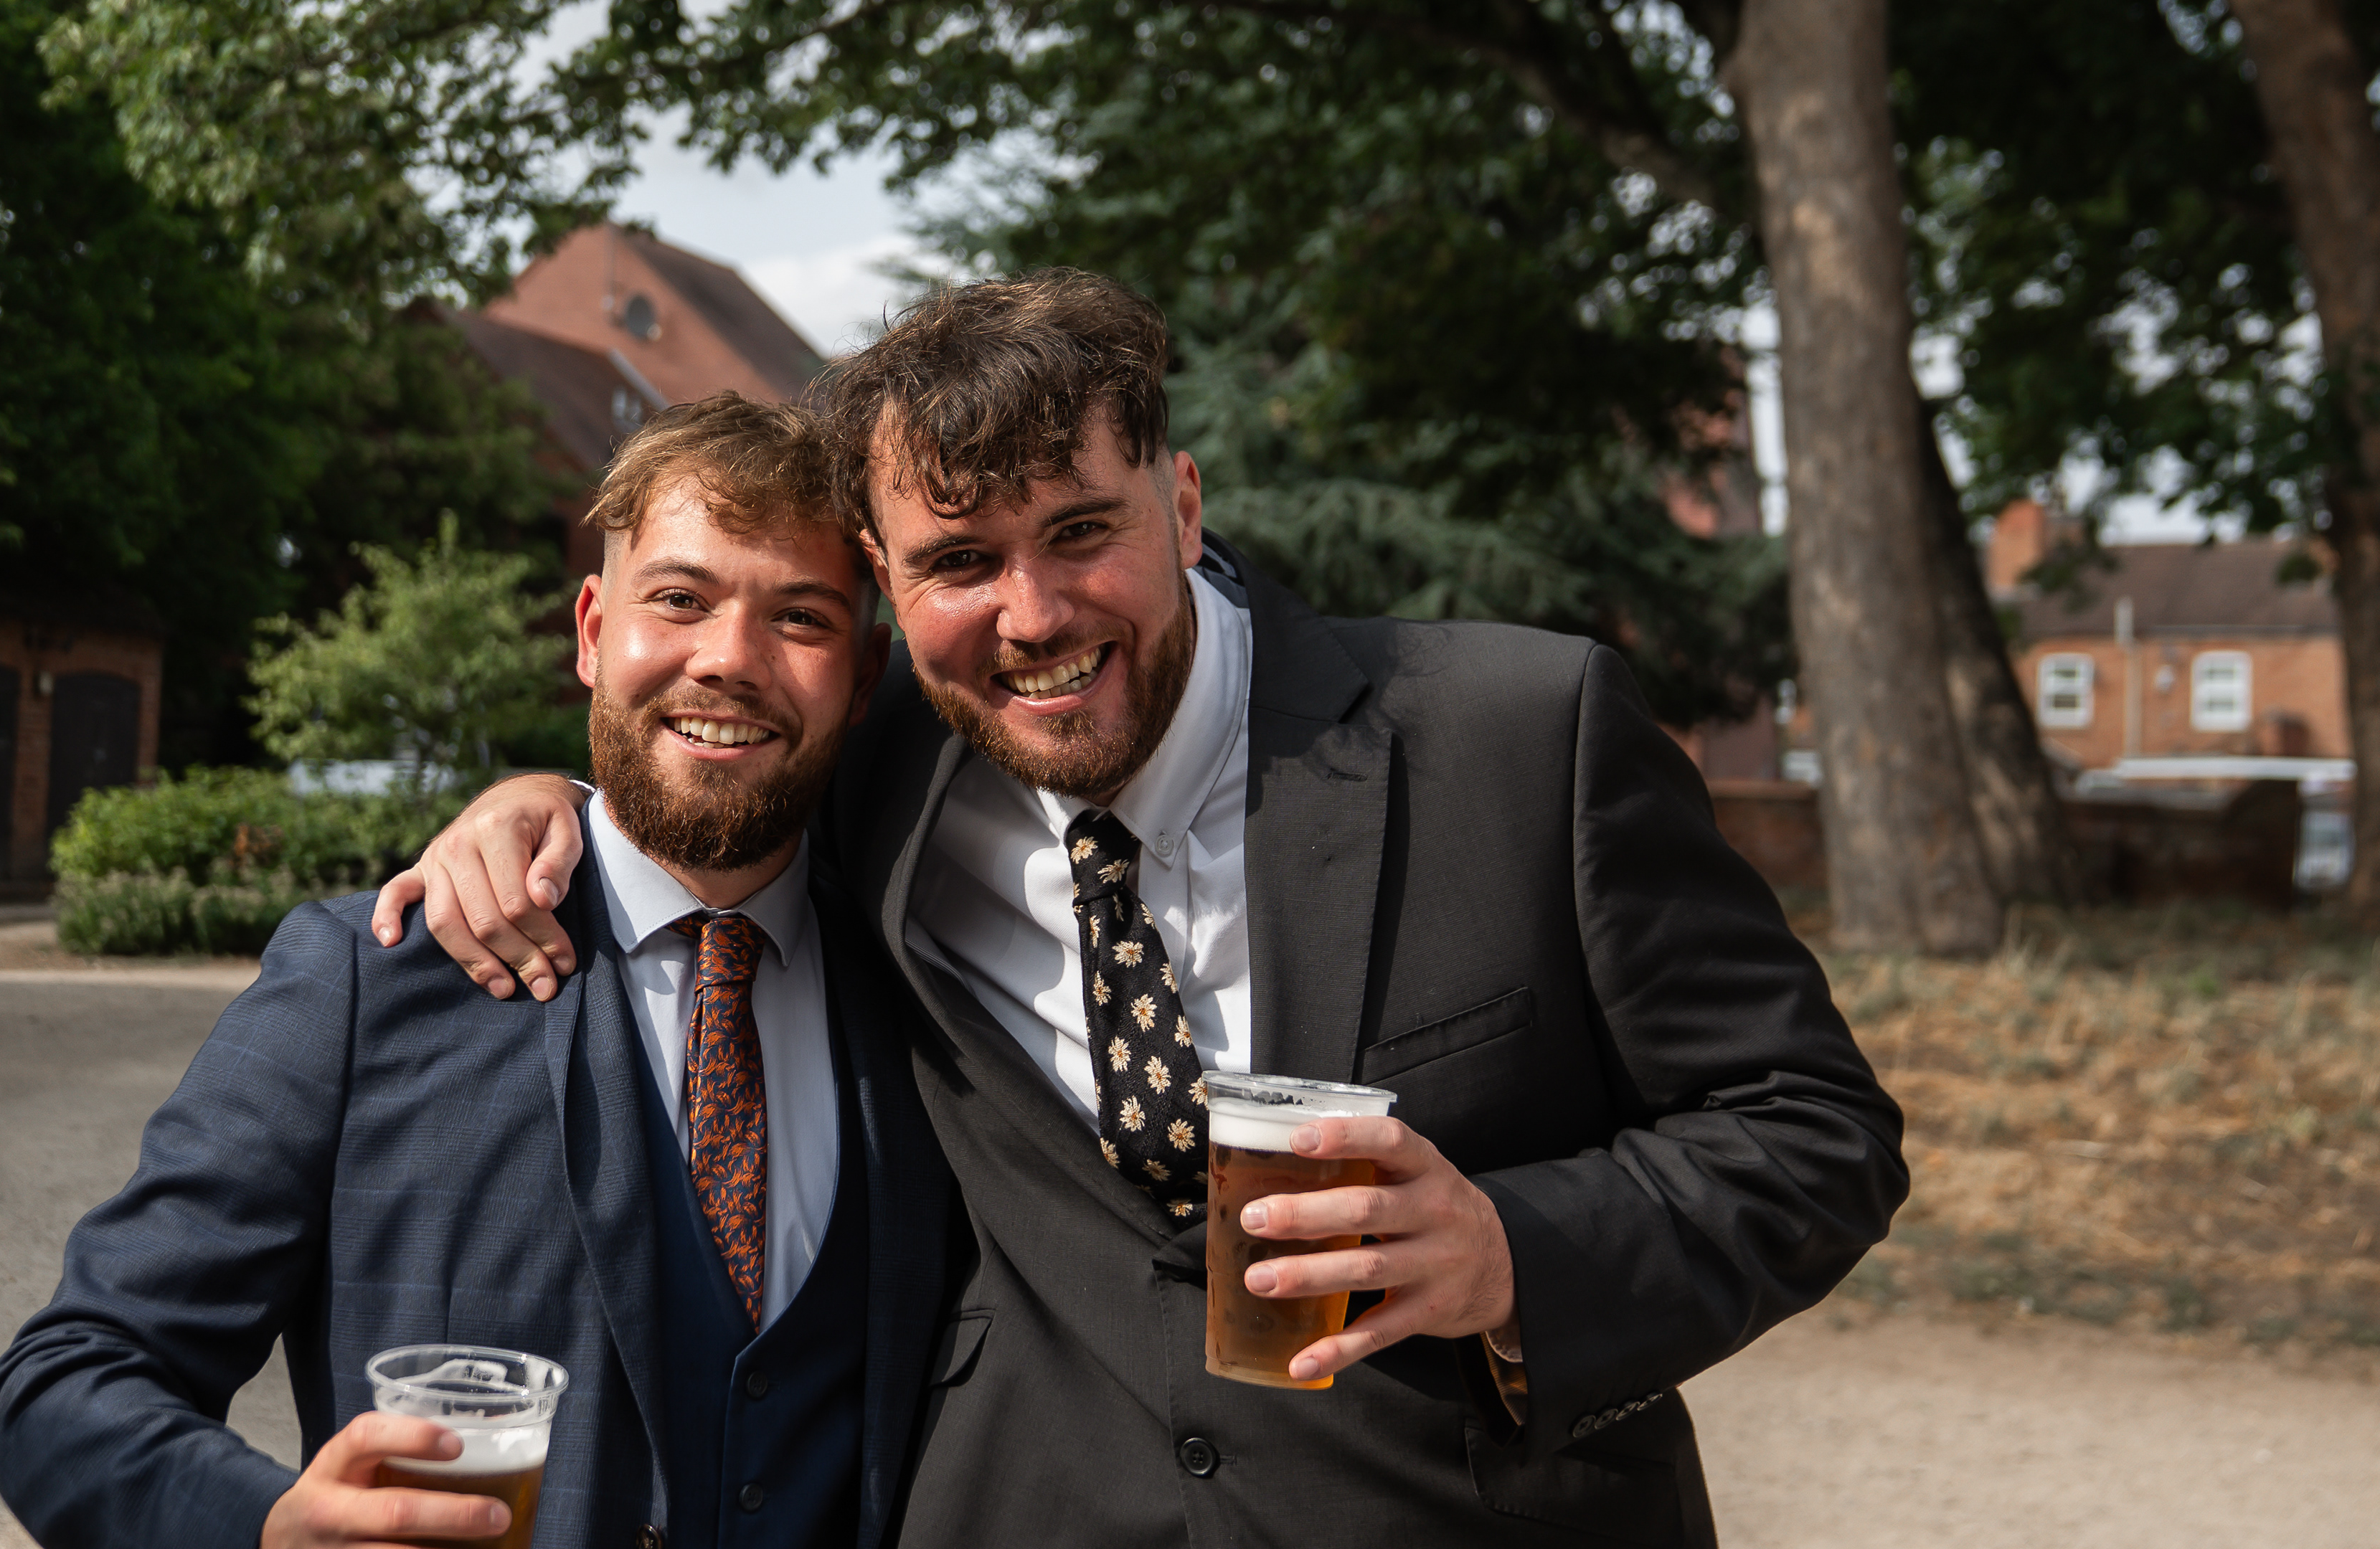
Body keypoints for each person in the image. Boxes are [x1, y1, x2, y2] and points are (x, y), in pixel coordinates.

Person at [379, 272, 1907, 1546]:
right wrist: (548, 803)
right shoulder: (884, 776)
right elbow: (708, 754)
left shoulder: (1520, 735)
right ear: (889, 587)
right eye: (959, 563)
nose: (1033, 616)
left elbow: (1815, 1130)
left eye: (1079, 531)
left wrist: (1514, 1251)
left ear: (1180, 503)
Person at [0, 394, 949, 1549]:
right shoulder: (369, 980)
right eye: (679, 600)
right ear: (592, 630)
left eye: (800, 618)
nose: (729, 659)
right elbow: (67, 1382)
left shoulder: (925, 998)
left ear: (866, 672)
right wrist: (263, 1526)